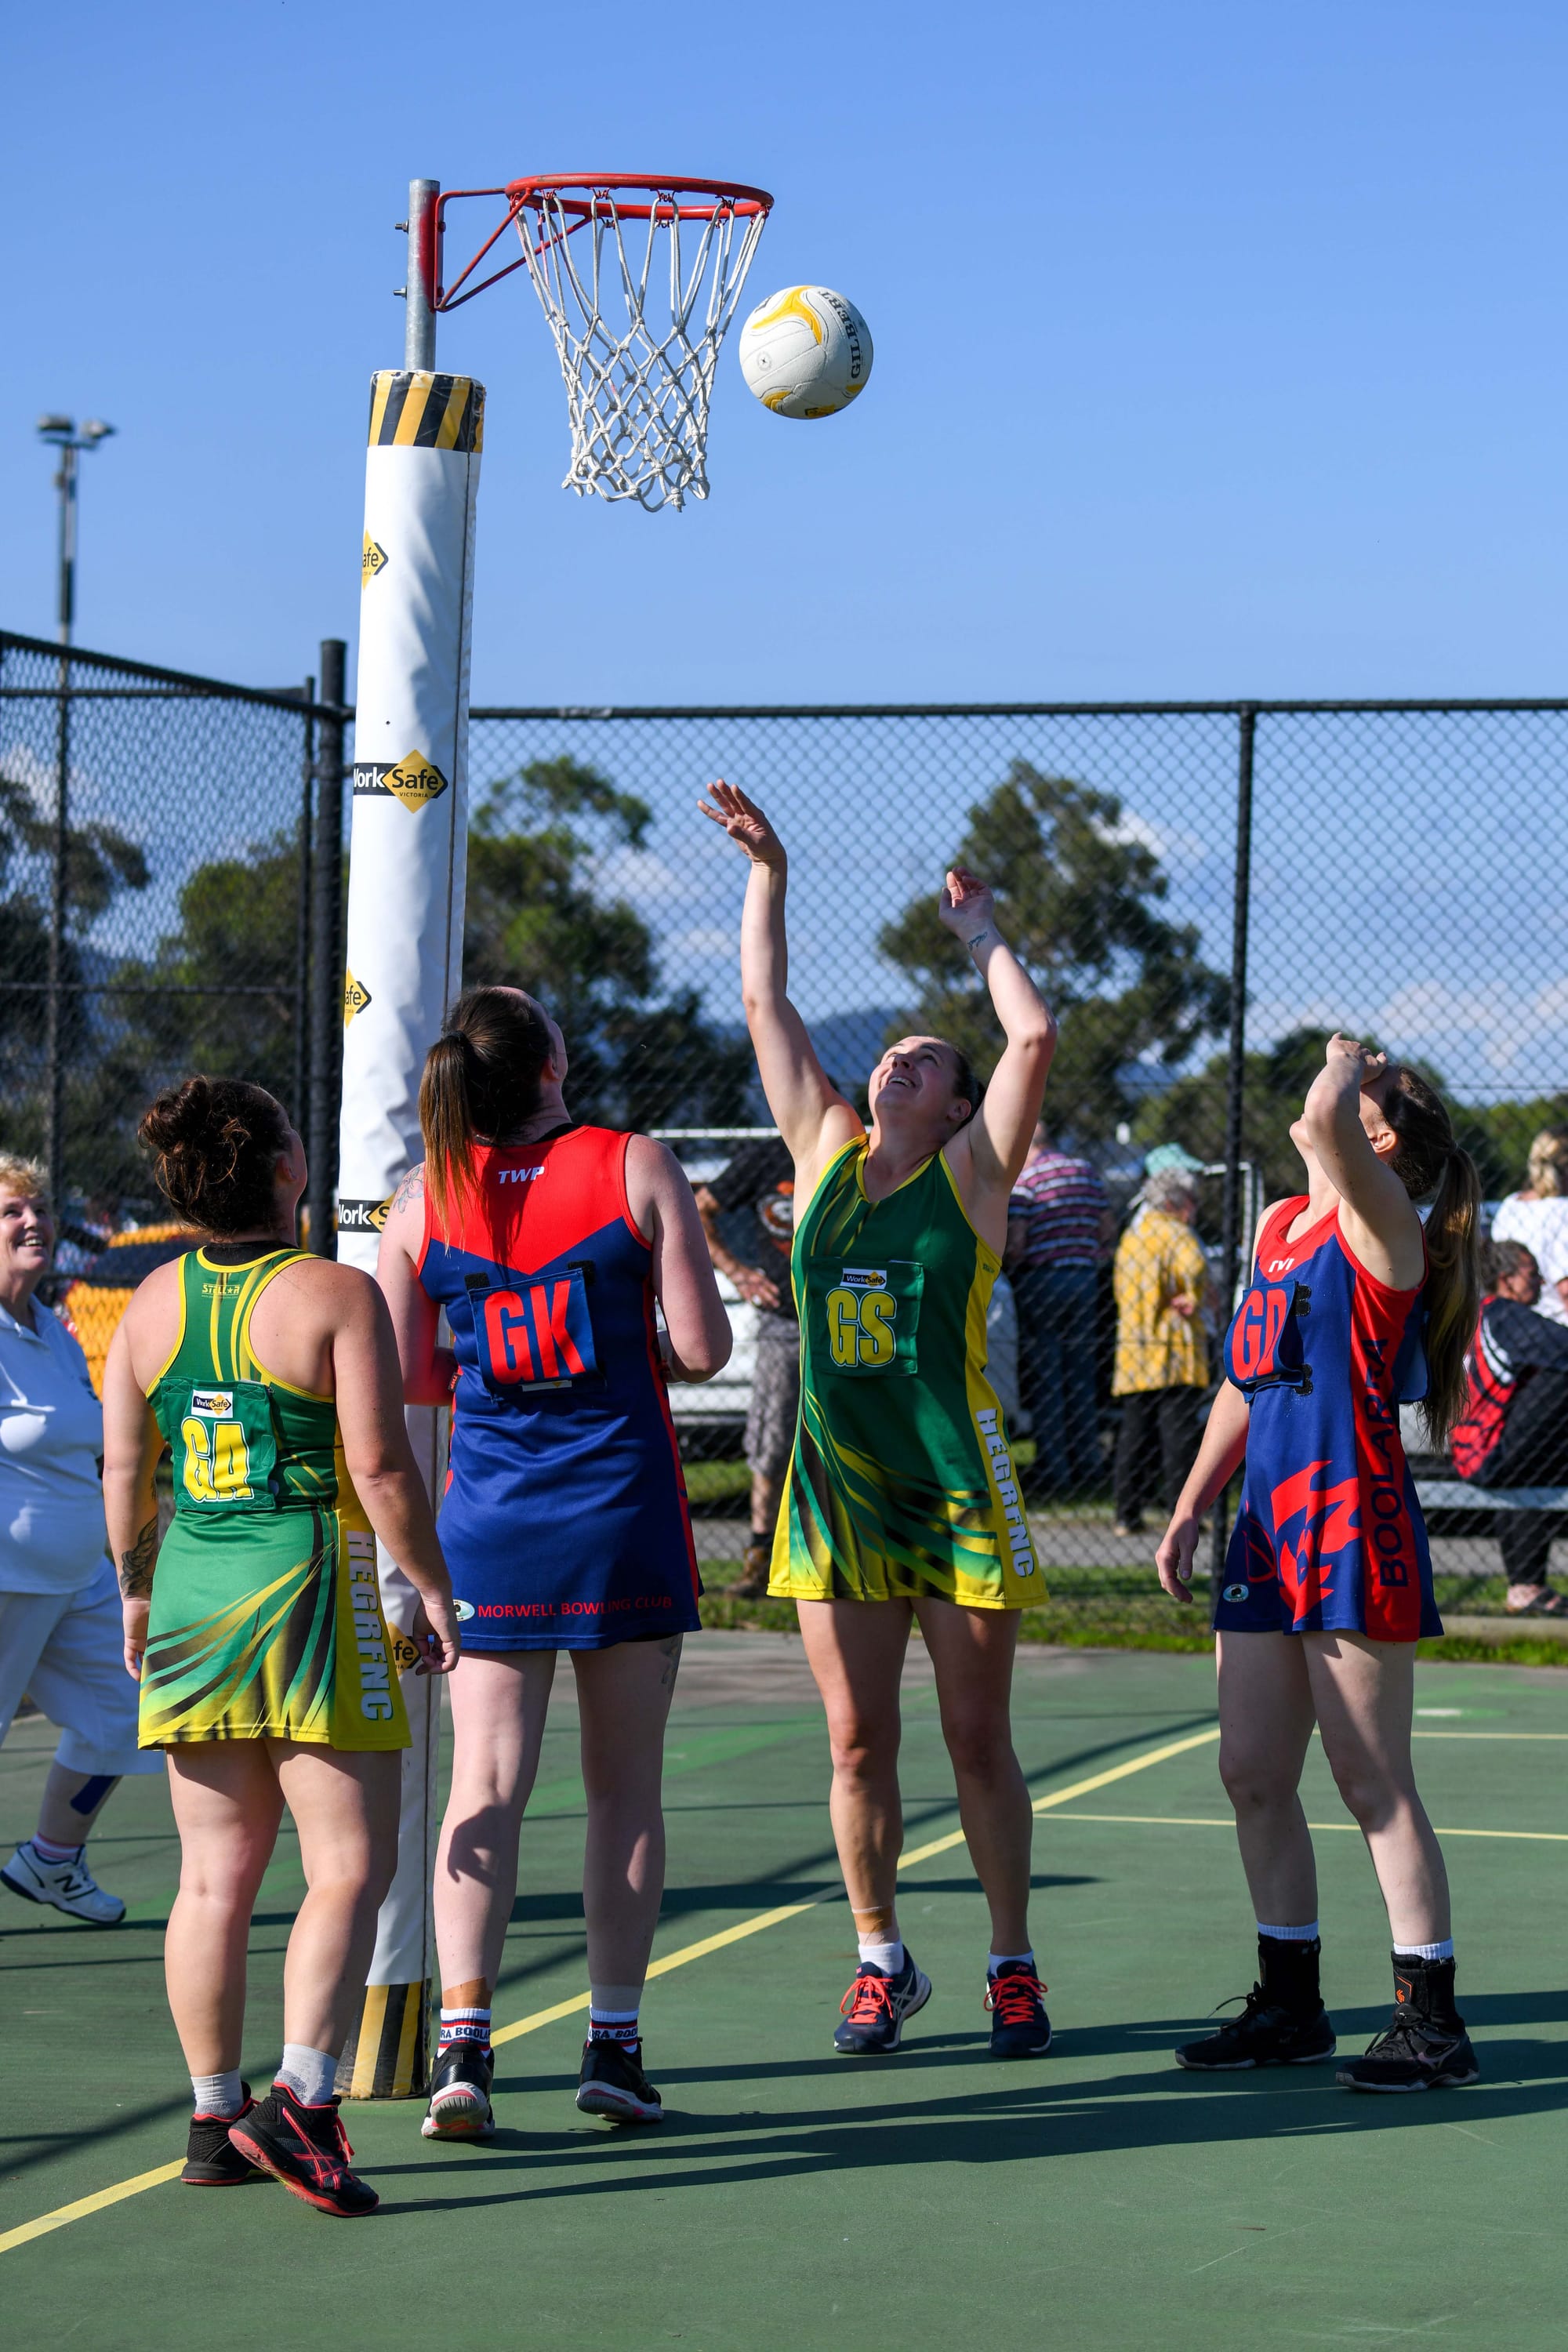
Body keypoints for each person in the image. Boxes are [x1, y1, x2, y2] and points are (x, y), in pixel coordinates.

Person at [699, 779, 1058, 2060]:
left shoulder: (972, 1176)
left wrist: (981, 936)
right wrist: (770, 872)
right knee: (857, 1742)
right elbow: (764, 1004)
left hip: (957, 1487)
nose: (903, 1057)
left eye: (931, 1057)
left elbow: (1031, 1039)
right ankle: (879, 1958)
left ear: (959, 1104)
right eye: (892, 1050)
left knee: (975, 1739)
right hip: (838, 1494)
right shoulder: (824, 1154)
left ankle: (1012, 1964)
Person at [376, 985, 731, 2140]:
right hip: (621, 1518)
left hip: (490, 1529)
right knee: (623, 1791)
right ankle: (612, 2048)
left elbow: (407, 1380)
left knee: (483, 1788)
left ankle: (463, 2051)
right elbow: (702, 1348)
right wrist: (614, 1336)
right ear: (549, 1065)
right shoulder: (634, 1163)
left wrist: (501, 1349)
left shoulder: (419, 1198)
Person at [102, 1078, 459, 2217]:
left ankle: (215, 2116)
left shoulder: (148, 1304)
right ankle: (302, 2104)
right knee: (349, 1865)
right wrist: (434, 1585)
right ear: (286, 1169)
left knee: (213, 1875)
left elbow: (127, 1474)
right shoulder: (337, 1293)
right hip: (308, 1581)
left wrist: (136, 1596)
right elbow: (382, 1468)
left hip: (192, 1591)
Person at [1156, 1036, 1483, 2092]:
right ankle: (1289, 2007)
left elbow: (1316, 1120)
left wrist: (1344, 1065)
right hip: (1268, 1534)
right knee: (1251, 1773)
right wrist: (1191, 1503)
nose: (1337, 1087)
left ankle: (1430, 2021)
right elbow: (1246, 1381)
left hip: (1352, 1527)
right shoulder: (1278, 1226)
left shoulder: (1385, 1227)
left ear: (1378, 1142)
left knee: (1370, 1780)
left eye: (1364, 1098)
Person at [0, 1156, 163, 1926]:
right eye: (11, 1211)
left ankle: (51, 1862)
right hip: (10, 1578)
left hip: (77, 1577)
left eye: (38, 1207)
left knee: (128, 1711)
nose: (32, 1221)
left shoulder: (54, 1330)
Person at [694, 1135, 798, 1596]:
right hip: (785, 1321)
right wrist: (738, 1273)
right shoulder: (766, 1158)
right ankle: (760, 1558)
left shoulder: (858, 1149)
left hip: (847, 1320)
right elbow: (700, 1210)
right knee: (772, 1444)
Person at [1451, 1240, 1568, 1615]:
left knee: (1537, 1472)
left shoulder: (1483, 1313)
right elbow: (1563, 1348)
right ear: (1507, 1280)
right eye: (1532, 1275)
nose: (1542, 1282)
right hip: (1488, 1450)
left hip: (1483, 1450)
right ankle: (1526, 1586)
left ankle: (1525, 1588)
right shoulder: (1503, 1313)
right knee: (1561, 1375)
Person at [1005, 1123, 1113, 1497]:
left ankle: (1056, 1468)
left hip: (1042, 1280)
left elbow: (1017, 1243)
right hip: (1084, 1279)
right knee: (1081, 1373)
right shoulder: (1086, 1172)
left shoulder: (1027, 1180)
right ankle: (1089, 1462)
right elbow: (1107, 1230)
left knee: (1046, 1375)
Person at [1109, 1166, 1212, 1538]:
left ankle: (1126, 1514)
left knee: (1134, 1433)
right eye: (1192, 1201)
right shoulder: (1178, 1234)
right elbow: (1195, 1267)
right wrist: (1192, 1296)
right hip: (1174, 1348)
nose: (1194, 1208)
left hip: (1135, 1349)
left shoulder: (1133, 1236)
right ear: (1175, 1203)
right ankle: (1180, 1513)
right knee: (1178, 1436)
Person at [1490, 1129, 1568, 1325]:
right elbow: (1566, 1289)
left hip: (1513, 1323)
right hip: (1557, 1328)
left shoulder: (1511, 1204)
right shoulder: (1562, 1209)